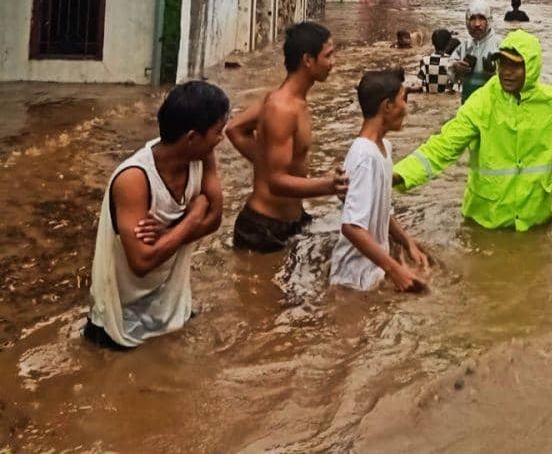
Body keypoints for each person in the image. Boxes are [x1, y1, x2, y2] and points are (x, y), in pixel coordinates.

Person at [393, 30, 552, 232]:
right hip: (486, 222)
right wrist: (400, 174)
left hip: (536, 222)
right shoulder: (482, 102)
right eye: (503, 63)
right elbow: (444, 146)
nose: (506, 72)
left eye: (515, 66)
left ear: (531, 68)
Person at [86, 81, 229, 349]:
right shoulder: (134, 179)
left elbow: (216, 218)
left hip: (168, 303)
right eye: (218, 132)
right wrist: (192, 217)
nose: (221, 139)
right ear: (192, 138)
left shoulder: (203, 156)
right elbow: (141, 262)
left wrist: (169, 232)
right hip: (118, 315)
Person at [226, 21, 349, 253]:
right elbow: (276, 182)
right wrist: (329, 185)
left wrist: (266, 162)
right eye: (328, 56)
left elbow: (234, 128)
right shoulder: (281, 108)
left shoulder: (286, 101)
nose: (333, 64)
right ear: (308, 60)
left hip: (294, 220)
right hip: (262, 229)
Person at [330, 70, 429, 292]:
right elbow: (351, 227)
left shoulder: (383, 149)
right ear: (387, 106)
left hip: (372, 270)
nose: (406, 107)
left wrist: (407, 242)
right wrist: (396, 270)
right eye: (403, 99)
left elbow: (381, 209)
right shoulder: (365, 156)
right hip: (352, 279)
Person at [450, 0, 502, 103]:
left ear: (489, 20)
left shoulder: (500, 46)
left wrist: (493, 75)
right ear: (467, 21)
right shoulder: (464, 46)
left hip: (492, 106)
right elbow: (447, 75)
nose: (477, 24)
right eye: (473, 18)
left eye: (482, 18)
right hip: (468, 106)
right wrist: (455, 68)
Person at [412, 29, 457, 94]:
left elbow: (419, 83)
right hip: (446, 99)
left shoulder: (425, 60)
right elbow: (455, 86)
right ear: (449, 43)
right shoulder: (453, 62)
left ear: (432, 43)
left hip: (429, 97)